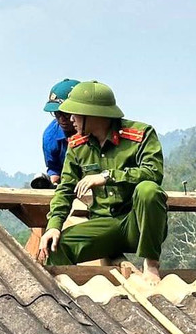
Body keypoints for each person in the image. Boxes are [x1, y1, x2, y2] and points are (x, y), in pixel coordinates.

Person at [37, 81, 167, 282]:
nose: (71, 120)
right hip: (104, 224)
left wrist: (107, 176)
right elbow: (65, 189)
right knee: (53, 247)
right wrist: (54, 225)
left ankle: (151, 263)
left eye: (75, 113)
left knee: (148, 190)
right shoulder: (77, 145)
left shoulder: (141, 134)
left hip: (137, 223)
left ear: (94, 114)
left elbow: (153, 173)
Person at [30, 78, 80, 190]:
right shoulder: (50, 136)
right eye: (57, 114)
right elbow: (54, 168)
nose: (62, 119)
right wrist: (53, 183)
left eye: (66, 114)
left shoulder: (101, 131)